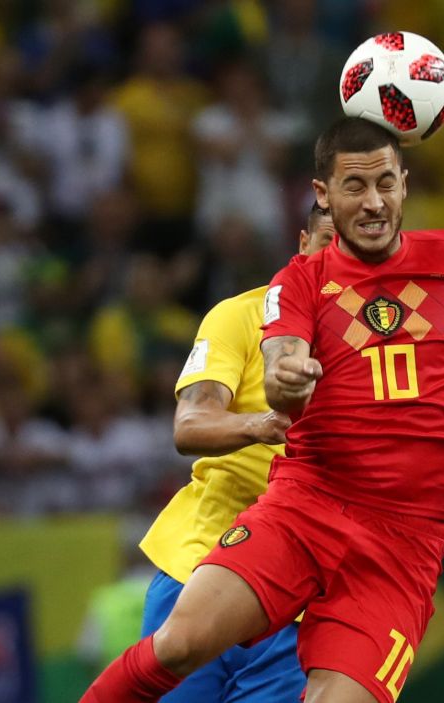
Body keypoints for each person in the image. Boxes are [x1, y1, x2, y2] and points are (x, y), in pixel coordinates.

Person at [81, 117, 444, 703]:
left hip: (404, 545)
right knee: (178, 645)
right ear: (323, 196)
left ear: (406, 184)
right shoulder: (298, 283)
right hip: (307, 507)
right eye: (355, 188)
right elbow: (282, 361)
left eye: (386, 183)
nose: (374, 202)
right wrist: (288, 382)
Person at [137, 203, 336, 702]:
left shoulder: (380, 348)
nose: (338, 261)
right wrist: (265, 425)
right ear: (302, 244)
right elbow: (190, 424)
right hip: (197, 569)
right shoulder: (238, 317)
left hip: (294, 601)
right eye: (328, 243)